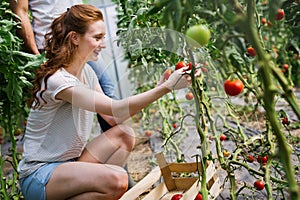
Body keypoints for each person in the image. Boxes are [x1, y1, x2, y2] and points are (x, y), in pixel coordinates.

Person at [17, 4, 193, 200]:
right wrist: (165, 88)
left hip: (70, 165)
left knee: (124, 134)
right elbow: (117, 109)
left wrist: (159, 87)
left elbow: (111, 117)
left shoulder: (88, 73)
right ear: (75, 38)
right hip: (40, 176)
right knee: (118, 179)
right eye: (97, 37)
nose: (103, 44)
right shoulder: (59, 81)